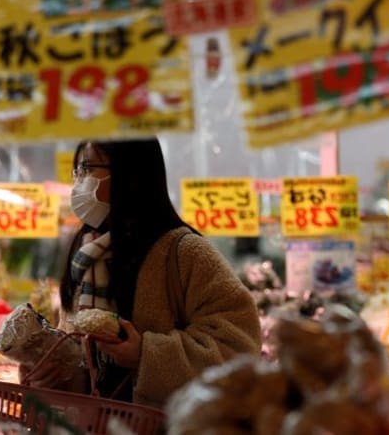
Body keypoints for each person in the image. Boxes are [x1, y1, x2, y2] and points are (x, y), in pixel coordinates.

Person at [20, 138, 261, 408]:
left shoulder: (184, 251)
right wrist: (56, 373)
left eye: (88, 168)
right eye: (77, 171)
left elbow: (240, 346)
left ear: (130, 174)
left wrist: (146, 354)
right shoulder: (86, 250)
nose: (78, 182)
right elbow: (86, 362)